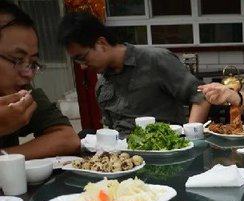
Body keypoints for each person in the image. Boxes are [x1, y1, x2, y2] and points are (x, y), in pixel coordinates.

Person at [57, 12, 209, 136]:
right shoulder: (102, 86)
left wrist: (190, 140)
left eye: (83, 58)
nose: (83, 66)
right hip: (124, 159)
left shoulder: (155, 60)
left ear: (101, 44)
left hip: (166, 154)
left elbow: (201, 96)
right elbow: (110, 130)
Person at [0, 1, 79, 159]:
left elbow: (68, 138)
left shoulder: (22, 92)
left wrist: (6, 157)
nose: (28, 73)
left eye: (33, 63)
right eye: (18, 59)